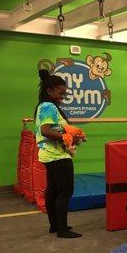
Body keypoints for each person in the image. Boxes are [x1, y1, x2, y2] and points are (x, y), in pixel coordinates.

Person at [34, 69, 82, 238]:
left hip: (50, 155)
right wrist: (66, 137)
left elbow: (52, 129)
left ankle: (55, 226)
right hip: (57, 156)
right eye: (61, 93)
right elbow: (46, 131)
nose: (63, 97)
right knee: (65, 191)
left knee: (54, 190)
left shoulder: (45, 106)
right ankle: (61, 229)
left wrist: (73, 136)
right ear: (49, 91)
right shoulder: (48, 106)